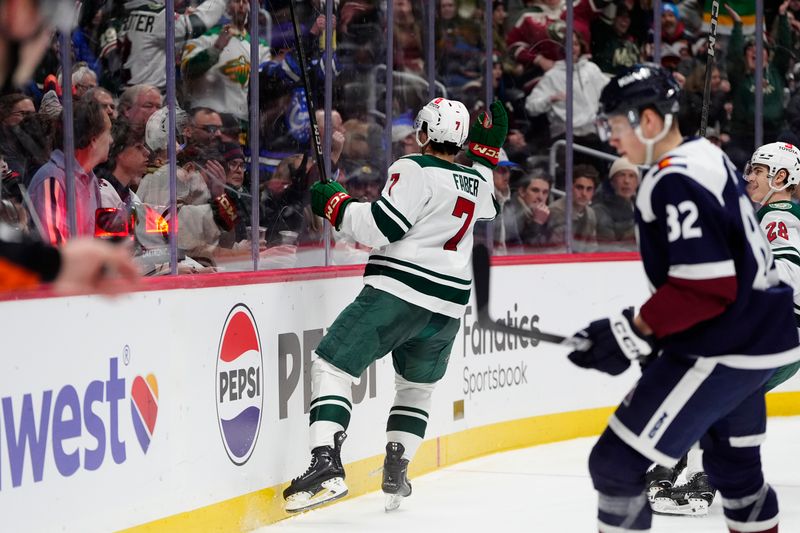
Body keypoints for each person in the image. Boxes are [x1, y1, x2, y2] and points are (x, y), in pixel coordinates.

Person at [567, 64, 800, 533]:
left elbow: (704, 287)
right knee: (738, 477)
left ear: (648, 121)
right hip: (759, 339)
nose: (611, 139)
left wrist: (630, 332)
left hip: (726, 346)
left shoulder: (674, 178)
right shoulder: (708, 157)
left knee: (614, 464)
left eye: (614, 125)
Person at [282, 98, 506, 513]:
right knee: (416, 388)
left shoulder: (413, 168)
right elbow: (490, 206)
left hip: (399, 292)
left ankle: (325, 464)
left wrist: (336, 203)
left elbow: (382, 227)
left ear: (422, 134)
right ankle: (396, 469)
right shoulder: (476, 179)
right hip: (448, 309)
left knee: (332, 365)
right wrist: (485, 157)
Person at [29, 99, 112, 244]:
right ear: (93, 139)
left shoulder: (90, 179)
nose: (111, 140)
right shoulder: (51, 179)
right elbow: (54, 248)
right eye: (108, 132)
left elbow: (95, 240)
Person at [180, 0, 271, 123]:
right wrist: (216, 48)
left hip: (241, 122)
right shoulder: (202, 36)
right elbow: (187, 71)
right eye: (236, 1)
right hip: (205, 121)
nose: (241, 6)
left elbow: (266, 85)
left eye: (245, 2)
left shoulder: (260, 46)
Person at [120, 0, 226, 90]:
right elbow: (197, 25)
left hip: (131, 92)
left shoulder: (131, 13)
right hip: (147, 97)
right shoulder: (156, 13)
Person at [548, 163, 598, 252]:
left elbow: (592, 249)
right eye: (579, 187)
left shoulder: (591, 213)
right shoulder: (555, 211)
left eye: (589, 189)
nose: (584, 193)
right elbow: (557, 251)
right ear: (569, 188)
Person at [594, 156, 639, 251]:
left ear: (637, 182)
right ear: (612, 182)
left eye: (631, 176)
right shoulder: (600, 209)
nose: (626, 181)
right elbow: (607, 248)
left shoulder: (643, 207)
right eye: (622, 175)